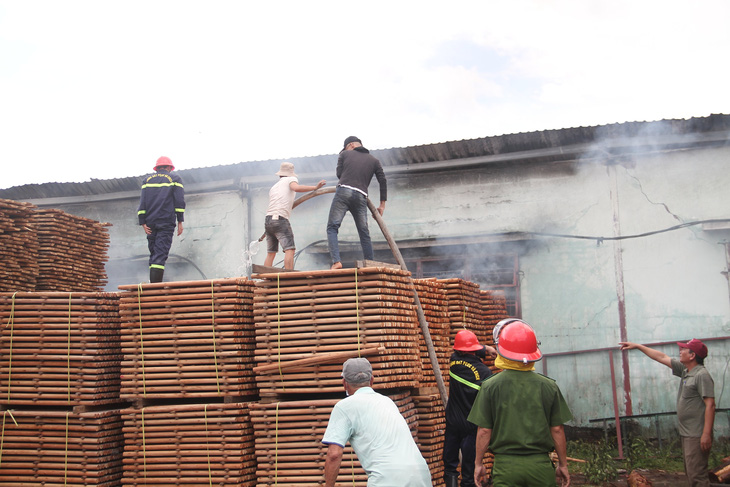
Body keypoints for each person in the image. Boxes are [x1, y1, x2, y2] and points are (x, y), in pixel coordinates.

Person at [468, 319, 572, 487]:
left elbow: (485, 431)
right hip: (541, 467)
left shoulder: (490, 387)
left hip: (506, 468)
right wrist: (563, 464)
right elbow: (557, 429)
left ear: (502, 349)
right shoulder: (549, 386)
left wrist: (478, 464)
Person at [619, 339, 715, 487]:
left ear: (692, 355)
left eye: (684, 349)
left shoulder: (701, 375)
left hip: (697, 434)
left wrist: (706, 434)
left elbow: (710, 405)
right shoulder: (686, 371)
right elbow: (661, 357)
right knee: (691, 474)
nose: (680, 351)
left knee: (698, 477)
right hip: (688, 433)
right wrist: (638, 346)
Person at [322, 357, 431, 486]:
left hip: (387, 479)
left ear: (344, 383)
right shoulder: (387, 402)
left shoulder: (344, 407)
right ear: (372, 380)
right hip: (420, 475)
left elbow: (334, 454)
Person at [444, 330, 497, 487]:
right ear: (474, 350)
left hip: (453, 422)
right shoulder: (485, 373)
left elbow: (463, 350)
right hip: (471, 425)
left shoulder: (454, 362)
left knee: (450, 465)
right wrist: (489, 350)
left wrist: (485, 348)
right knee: (469, 468)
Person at [326, 136, 387, 270]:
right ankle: (370, 263)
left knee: (332, 227)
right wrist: (382, 205)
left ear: (352, 145)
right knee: (364, 232)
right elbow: (383, 181)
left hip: (344, 191)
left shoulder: (345, 154)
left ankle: (336, 261)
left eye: (347, 147)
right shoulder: (374, 161)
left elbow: (339, 174)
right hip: (361, 196)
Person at [263, 162, 326, 270]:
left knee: (271, 253)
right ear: (290, 174)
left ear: (280, 174)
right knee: (290, 250)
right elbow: (295, 188)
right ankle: (289, 277)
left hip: (268, 220)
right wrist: (315, 187)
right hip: (280, 219)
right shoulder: (290, 179)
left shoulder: (274, 187)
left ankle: (265, 279)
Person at [137, 156, 185, 283]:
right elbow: (179, 201)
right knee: (160, 254)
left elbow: (142, 202)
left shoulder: (146, 180)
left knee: (154, 254)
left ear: (157, 168)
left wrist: (142, 221)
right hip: (165, 222)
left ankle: (152, 286)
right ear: (169, 167)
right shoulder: (175, 178)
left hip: (150, 223)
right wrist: (180, 221)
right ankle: (155, 289)